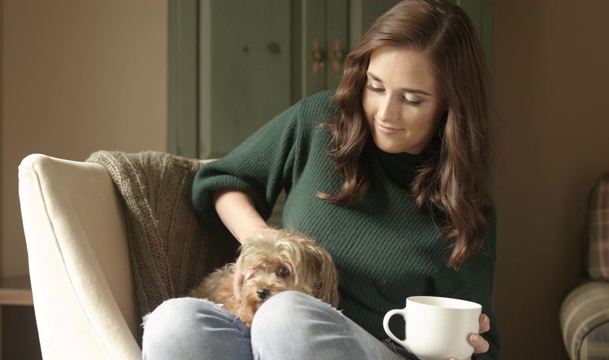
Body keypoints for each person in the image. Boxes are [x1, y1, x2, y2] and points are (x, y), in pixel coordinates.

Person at [141, 0, 499, 359]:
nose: (385, 113)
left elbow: (480, 341)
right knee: (172, 323)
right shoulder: (320, 121)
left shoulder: (463, 208)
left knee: (286, 315)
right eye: (375, 86)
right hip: (266, 332)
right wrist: (261, 239)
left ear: (450, 103)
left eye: (411, 99)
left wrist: (470, 348)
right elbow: (223, 180)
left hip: (371, 347)